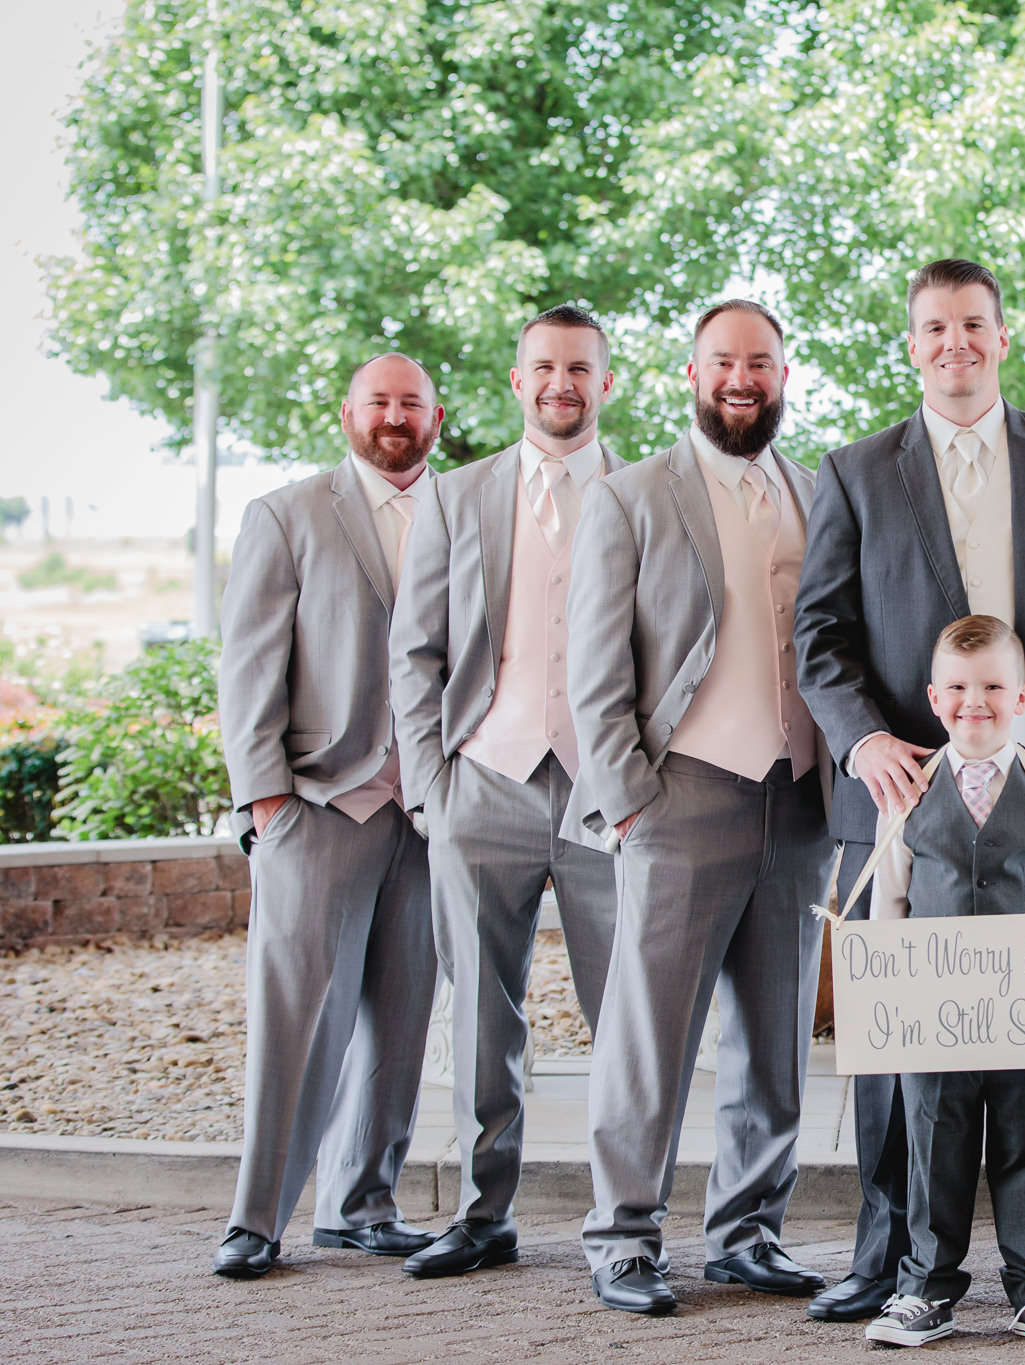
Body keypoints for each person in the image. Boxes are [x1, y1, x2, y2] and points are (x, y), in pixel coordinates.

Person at [795, 258, 1025, 1326]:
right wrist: (861, 741)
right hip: (909, 792)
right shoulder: (856, 472)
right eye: (933, 328)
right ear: (910, 344)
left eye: (972, 326)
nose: (953, 343)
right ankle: (889, 1261)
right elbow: (819, 639)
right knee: (897, 1058)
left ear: (1002, 337)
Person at [563, 300, 831, 1313]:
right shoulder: (631, 496)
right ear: (690, 372)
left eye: (759, 362)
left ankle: (747, 1231)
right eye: (723, 361)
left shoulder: (815, 493)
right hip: (680, 798)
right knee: (650, 1033)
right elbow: (592, 668)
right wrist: (631, 800)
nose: (741, 379)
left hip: (796, 803)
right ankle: (624, 1236)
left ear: (781, 376)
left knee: (774, 1039)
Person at [387, 305, 623, 1277]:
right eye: (543, 366)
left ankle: (625, 1224)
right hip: (482, 783)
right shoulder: (455, 498)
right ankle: (483, 1215)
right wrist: (427, 788)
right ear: (517, 380)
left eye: (579, 367)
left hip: (606, 794)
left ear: (606, 384)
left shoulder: (643, 491)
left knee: (627, 1015)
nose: (560, 382)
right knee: (483, 1013)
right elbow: (415, 651)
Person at [212, 353, 442, 1277]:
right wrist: (265, 797)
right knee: (297, 1016)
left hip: (427, 811)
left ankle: (362, 1204)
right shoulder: (288, 514)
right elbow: (247, 665)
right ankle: (256, 1217)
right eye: (379, 400)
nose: (395, 414)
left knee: (401, 1016)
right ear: (349, 412)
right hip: (315, 800)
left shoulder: (464, 510)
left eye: (411, 402)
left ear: (436, 415)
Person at [859, 615, 1025, 1348]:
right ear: (934, 698)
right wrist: (891, 999)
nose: (976, 702)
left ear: (1021, 696)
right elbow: (888, 901)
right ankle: (925, 1288)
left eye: (993, 686)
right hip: (933, 1016)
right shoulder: (908, 791)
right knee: (935, 1141)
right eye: (960, 688)